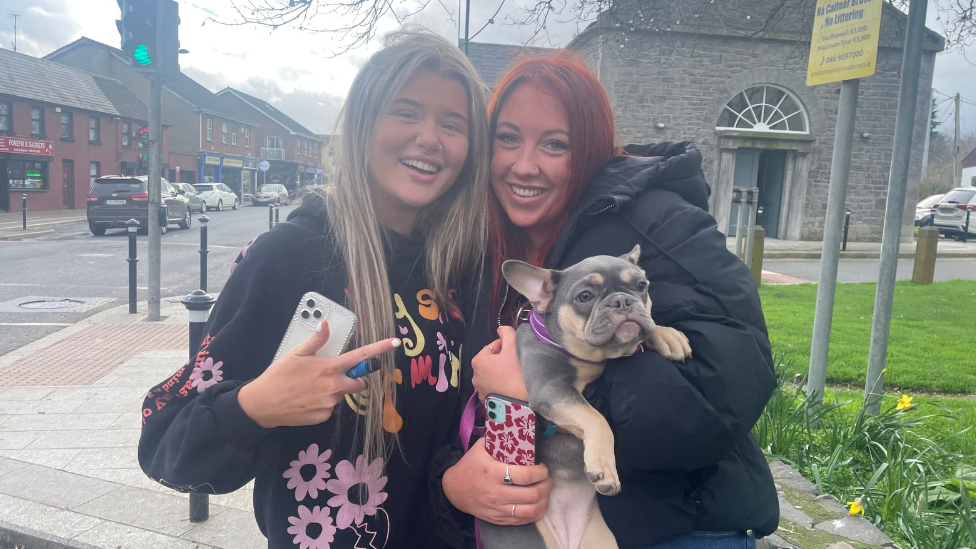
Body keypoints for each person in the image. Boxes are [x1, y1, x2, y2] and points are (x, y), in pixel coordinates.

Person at [139, 30, 492, 549]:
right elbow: (168, 446)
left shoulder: (462, 270)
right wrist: (255, 406)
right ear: (363, 125)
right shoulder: (290, 258)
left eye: (452, 124)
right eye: (407, 111)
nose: (430, 137)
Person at [440, 53, 780, 548]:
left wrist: (543, 388)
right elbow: (444, 407)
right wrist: (451, 480)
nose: (524, 164)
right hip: (535, 522)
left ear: (592, 148)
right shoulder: (482, 247)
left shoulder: (658, 221)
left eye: (554, 144)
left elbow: (720, 398)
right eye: (507, 138)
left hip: (678, 525)